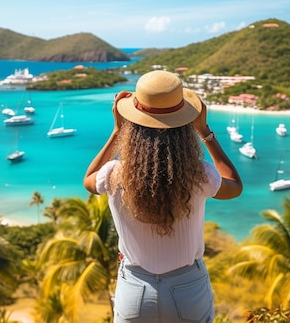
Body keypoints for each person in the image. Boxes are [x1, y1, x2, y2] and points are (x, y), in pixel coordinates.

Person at [83, 70, 243, 323]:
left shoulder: (114, 174)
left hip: (135, 288)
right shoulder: (199, 175)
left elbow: (89, 179)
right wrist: (205, 132)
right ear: (184, 125)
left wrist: (117, 130)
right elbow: (234, 186)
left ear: (132, 125)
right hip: (188, 288)